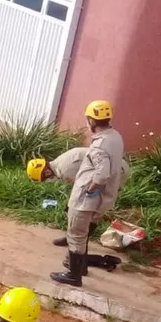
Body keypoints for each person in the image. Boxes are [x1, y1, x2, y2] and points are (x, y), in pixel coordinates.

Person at [50, 100, 124, 286]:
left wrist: (90, 191)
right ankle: (80, 268)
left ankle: (74, 276)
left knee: (76, 236)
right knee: (82, 234)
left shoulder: (100, 145)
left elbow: (102, 174)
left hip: (86, 200)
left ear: (91, 119)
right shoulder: (115, 136)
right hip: (103, 199)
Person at [27, 148, 129, 273]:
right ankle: (73, 239)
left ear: (47, 172)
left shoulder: (66, 170)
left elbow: (88, 192)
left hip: (115, 172)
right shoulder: (60, 165)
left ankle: (80, 263)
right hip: (108, 168)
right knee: (74, 210)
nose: (47, 181)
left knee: (87, 215)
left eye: (45, 179)